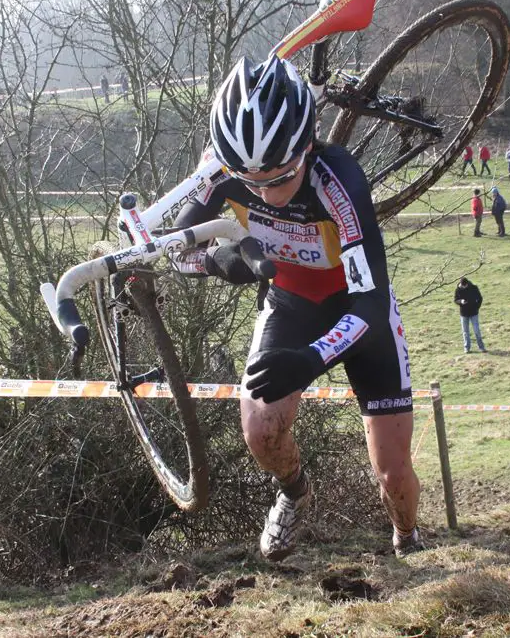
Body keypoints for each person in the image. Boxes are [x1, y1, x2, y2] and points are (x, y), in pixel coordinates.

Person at [174, 55, 421, 560]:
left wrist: (312, 359)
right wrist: (218, 261)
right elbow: (174, 252)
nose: (266, 192)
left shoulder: (339, 179)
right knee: (260, 433)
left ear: (306, 148)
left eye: (281, 177)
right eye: (251, 182)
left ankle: (407, 538)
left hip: (358, 312)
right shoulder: (220, 171)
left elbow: (371, 303)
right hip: (291, 303)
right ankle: (294, 492)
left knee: (392, 472)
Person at [454, 277, 486, 353]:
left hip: (474, 313)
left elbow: (480, 298)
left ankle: (481, 347)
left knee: (476, 331)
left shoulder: (474, 288)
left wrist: (477, 307)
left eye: (463, 286)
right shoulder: (458, 289)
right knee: (465, 332)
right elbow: (455, 300)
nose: (462, 287)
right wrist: (460, 301)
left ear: (467, 284)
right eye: (461, 286)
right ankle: (467, 348)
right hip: (464, 314)